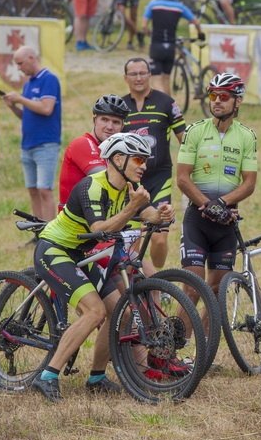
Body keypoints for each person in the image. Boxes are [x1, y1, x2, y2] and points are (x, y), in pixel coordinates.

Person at [30, 133, 174, 402]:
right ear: (118, 159)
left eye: (145, 160)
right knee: (94, 312)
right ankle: (47, 376)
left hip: (81, 254)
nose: (144, 166)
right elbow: (99, 230)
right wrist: (132, 208)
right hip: (56, 249)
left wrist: (161, 214)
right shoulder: (91, 187)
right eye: (139, 159)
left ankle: (96, 377)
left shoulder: (130, 186)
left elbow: (147, 215)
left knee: (116, 311)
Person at [176, 73, 257, 306]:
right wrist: (207, 204)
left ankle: (206, 342)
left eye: (223, 96)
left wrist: (221, 203)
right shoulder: (195, 131)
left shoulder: (246, 136)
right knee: (192, 289)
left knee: (217, 292)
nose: (217, 101)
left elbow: (249, 183)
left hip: (226, 222)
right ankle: (178, 341)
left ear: (237, 101)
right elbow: (182, 178)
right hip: (197, 219)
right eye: (213, 95)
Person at [121, 58, 186, 269]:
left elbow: (184, 141)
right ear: (125, 78)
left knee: (159, 237)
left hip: (159, 178)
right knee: (132, 242)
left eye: (142, 73)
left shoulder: (167, 103)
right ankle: (139, 286)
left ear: (150, 75)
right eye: (133, 74)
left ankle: (159, 280)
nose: (138, 78)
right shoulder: (120, 107)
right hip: (130, 183)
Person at [1, 46, 61, 223]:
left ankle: (50, 236)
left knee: (45, 190)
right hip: (27, 144)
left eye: (20, 63)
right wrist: (13, 106)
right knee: (33, 190)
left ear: (31, 58)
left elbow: (46, 108)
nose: (19, 68)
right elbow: (26, 115)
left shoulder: (49, 79)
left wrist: (19, 99)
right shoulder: (28, 84)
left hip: (46, 143)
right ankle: (37, 233)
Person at [58, 95, 128, 208]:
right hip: (74, 223)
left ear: (122, 126)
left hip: (97, 219)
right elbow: (108, 180)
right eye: (104, 120)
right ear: (94, 120)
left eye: (116, 122)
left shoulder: (111, 152)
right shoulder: (81, 143)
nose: (110, 127)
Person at [140, 0, 205, 94]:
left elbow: (144, 25)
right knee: (166, 79)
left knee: (156, 79)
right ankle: (169, 109)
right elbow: (196, 22)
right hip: (170, 47)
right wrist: (200, 34)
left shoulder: (153, 4)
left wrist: (149, 34)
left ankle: (163, 107)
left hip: (156, 45)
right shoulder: (179, 6)